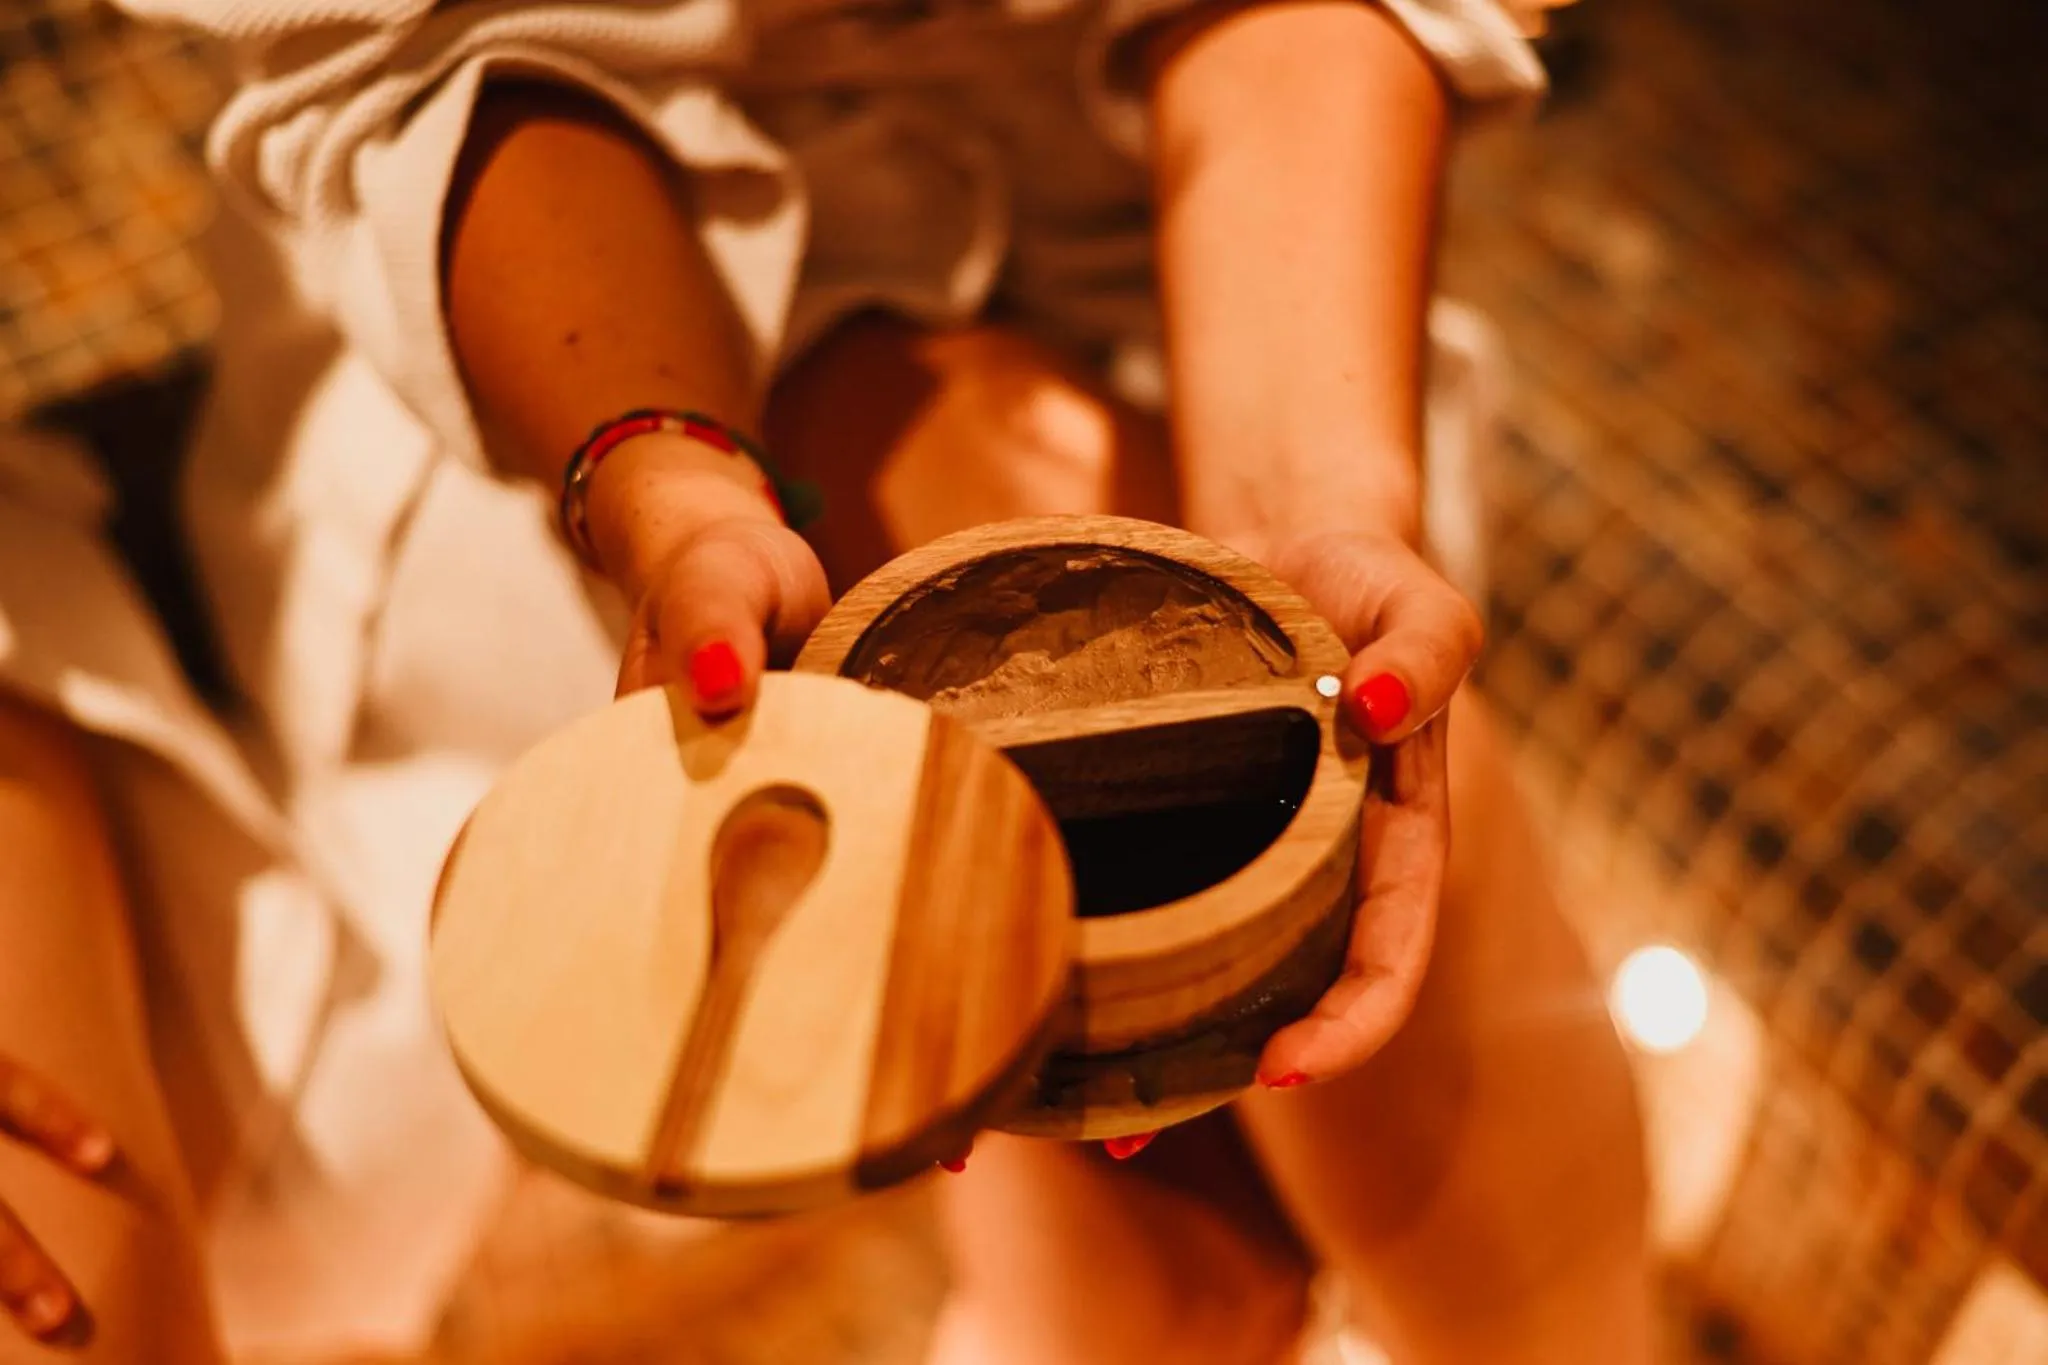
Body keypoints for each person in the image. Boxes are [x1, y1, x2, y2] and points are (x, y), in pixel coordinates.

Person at [0, 0, 1656, 1360]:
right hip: (553, 302)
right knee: (1180, 1285)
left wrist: (1317, 501)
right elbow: (441, 46)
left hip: (1171, 259)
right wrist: (669, 475)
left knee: (1331, 865)